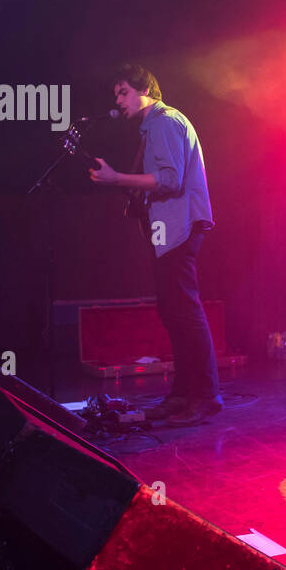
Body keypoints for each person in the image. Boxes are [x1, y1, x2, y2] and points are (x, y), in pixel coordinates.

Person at [89, 64, 222, 427]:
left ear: (144, 89)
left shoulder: (163, 121)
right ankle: (183, 394)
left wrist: (117, 178)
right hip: (170, 229)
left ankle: (206, 396)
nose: (118, 102)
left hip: (180, 227)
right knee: (173, 311)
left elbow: (169, 178)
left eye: (123, 93)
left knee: (185, 311)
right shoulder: (154, 126)